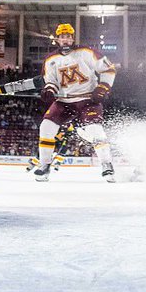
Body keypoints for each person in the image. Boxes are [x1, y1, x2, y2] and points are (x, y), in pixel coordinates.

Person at [33, 23, 118, 182]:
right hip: (64, 101)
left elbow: (109, 68)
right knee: (46, 127)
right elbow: (51, 81)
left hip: (88, 100)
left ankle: (107, 165)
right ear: (57, 39)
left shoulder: (86, 52)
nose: (65, 39)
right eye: (62, 36)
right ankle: (44, 166)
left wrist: (103, 87)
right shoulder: (51, 59)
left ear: (72, 38)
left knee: (95, 130)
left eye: (68, 36)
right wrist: (49, 90)